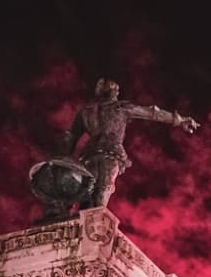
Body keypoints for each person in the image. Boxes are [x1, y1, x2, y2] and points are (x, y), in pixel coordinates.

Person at [62, 78, 198, 209]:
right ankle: (94, 221)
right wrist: (179, 120)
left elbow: (71, 137)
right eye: (116, 91)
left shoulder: (86, 112)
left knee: (88, 193)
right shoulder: (121, 108)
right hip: (110, 153)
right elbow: (151, 113)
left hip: (89, 156)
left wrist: (65, 159)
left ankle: (82, 218)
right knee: (102, 191)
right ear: (113, 92)